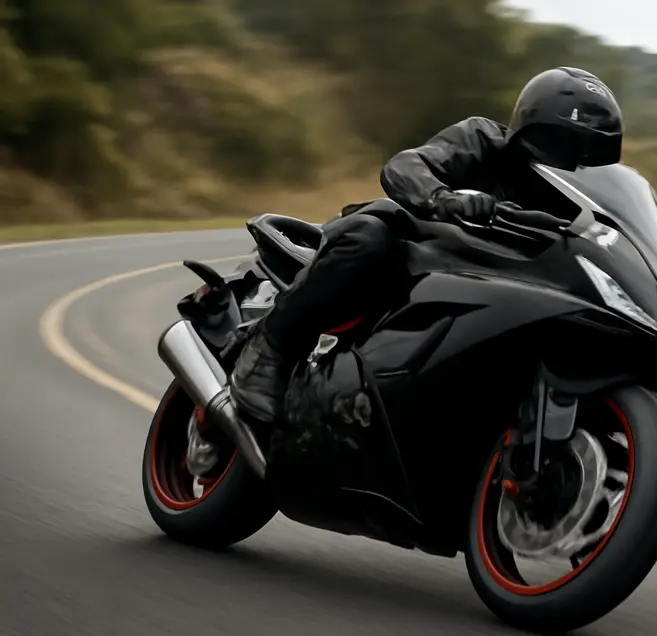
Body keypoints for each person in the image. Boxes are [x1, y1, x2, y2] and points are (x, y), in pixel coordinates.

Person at [229, 66, 625, 424]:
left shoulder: (575, 202)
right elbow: (406, 165)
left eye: (592, 151)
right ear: (535, 128)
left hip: (485, 295)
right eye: (568, 144)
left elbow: (612, 228)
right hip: (416, 260)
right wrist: (442, 197)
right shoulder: (484, 140)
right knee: (371, 239)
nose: (577, 159)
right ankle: (269, 349)